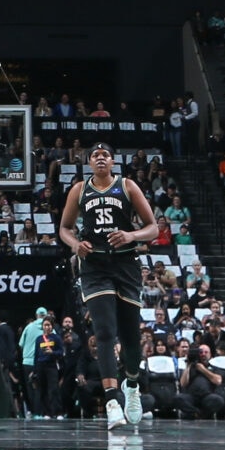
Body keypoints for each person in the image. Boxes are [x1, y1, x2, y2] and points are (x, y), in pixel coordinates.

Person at [58, 142, 160, 432]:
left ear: (113, 161)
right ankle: (112, 402)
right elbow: (64, 229)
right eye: (95, 155)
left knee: (129, 336)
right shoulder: (79, 189)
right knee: (104, 331)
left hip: (125, 265)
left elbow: (153, 227)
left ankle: (131, 386)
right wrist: (76, 243)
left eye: (105, 155)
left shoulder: (127, 186)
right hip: (95, 266)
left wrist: (131, 235)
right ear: (89, 162)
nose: (100, 158)